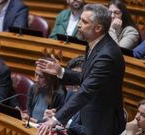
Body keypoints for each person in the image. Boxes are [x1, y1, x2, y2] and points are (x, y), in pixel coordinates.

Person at [36, 4, 126, 135]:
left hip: (102, 125)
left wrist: (56, 119)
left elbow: (87, 90)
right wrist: (61, 72)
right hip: (91, 119)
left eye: (84, 22)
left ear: (98, 28)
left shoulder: (107, 55)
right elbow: (86, 77)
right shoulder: (94, 44)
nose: (78, 24)